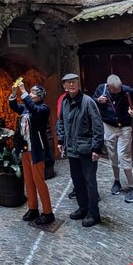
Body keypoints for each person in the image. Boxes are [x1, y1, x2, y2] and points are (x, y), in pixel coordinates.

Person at [56, 73, 104, 227]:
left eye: (74, 82)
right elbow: (61, 122)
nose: (72, 85)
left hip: (87, 149)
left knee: (89, 182)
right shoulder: (65, 102)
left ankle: (93, 213)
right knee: (77, 181)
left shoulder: (88, 102)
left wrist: (97, 148)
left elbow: (97, 126)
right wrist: (61, 140)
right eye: (68, 83)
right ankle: (83, 208)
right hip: (72, 149)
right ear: (64, 86)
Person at [93, 74, 133, 202]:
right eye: (115, 90)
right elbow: (92, 99)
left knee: (123, 155)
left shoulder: (126, 90)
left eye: (119, 88)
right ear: (109, 87)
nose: (118, 91)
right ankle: (117, 181)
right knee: (112, 155)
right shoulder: (101, 89)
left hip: (125, 126)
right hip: (108, 125)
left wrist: (131, 107)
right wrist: (98, 100)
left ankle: (132, 186)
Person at [9, 82, 55, 226]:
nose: (30, 94)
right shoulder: (26, 109)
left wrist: (23, 91)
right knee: (28, 181)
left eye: (33, 93)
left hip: (37, 150)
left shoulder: (43, 109)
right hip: (25, 149)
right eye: (30, 92)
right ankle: (33, 208)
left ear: (40, 96)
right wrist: (14, 93)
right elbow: (14, 106)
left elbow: (34, 109)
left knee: (39, 181)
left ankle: (48, 212)